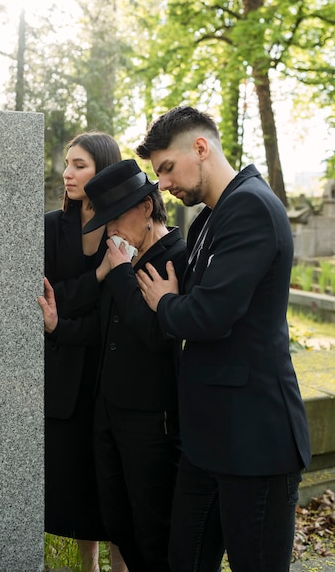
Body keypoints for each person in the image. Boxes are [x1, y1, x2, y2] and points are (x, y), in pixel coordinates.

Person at [134, 105, 311, 572]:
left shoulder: (251, 205)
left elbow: (210, 314)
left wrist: (165, 304)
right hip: (208, 439)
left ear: (201, 147)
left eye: (167, 169)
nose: (165, 185)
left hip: (255, 439)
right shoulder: (211, 215)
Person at [40, 158, 187, 572]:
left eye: (115, 218)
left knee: (150, 531)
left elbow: (156, 336)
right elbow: (101, 329)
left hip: (149, 424)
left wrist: (121, 272)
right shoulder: (128, 254)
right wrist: (57, 326)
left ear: (145, 207)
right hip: (108, 417)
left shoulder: (175, 258)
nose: (111, 231)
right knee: (118, 524)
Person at [41, 132, 126, 572]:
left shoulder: (122, 226)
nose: (67, 172)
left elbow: (118, 308)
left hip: (112, 369)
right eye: (68, 164)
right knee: (78, 477)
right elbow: (49, 298)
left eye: (79, 165)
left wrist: (64, 321)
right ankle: (87, 566)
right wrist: (99, 276)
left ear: (103, 172)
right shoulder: (51, 228)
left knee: (111, 479)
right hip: (66, 372)